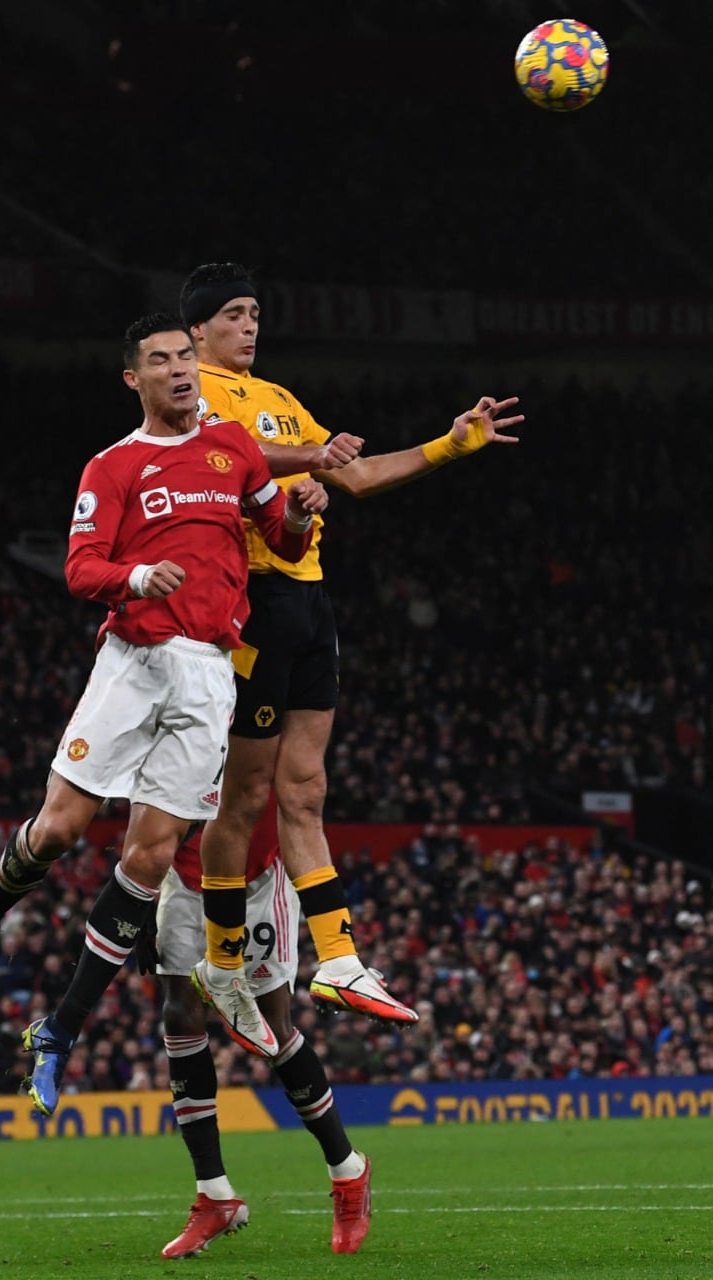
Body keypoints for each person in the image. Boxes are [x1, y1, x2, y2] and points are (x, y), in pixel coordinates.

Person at [0, 311, 328, 1114]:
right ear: (133, 378)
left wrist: (298, 512)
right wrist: (134, 578)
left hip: (211, 675)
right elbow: (80, 568)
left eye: (186, 356)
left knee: (147, 861)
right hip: (134, 663)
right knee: (61, 829)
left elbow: (280, 541)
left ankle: (59, 1030)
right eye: (162, 360)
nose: (181, 370)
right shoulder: (112, 467)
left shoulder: (237, 450)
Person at [179, 262, 524, 1056]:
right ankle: (224, 962)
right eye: (233, 314)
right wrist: (308, 463)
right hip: (252, 601)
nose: (249, 325)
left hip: (308, 598)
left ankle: (337, 960)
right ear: (196, 330)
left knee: (305, 786)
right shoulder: (193, 391)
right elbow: (227, 469)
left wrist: (449, 444)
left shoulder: (278, 399)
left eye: (256, 311)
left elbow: (354, 472)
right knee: (246, 795)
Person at [157, 798, 371, 1259]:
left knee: (272, 1031)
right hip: (182, 877)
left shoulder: (259, 728)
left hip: (251, 882)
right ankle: (214, 1195)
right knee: (179, 1013)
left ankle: (347, 1169)